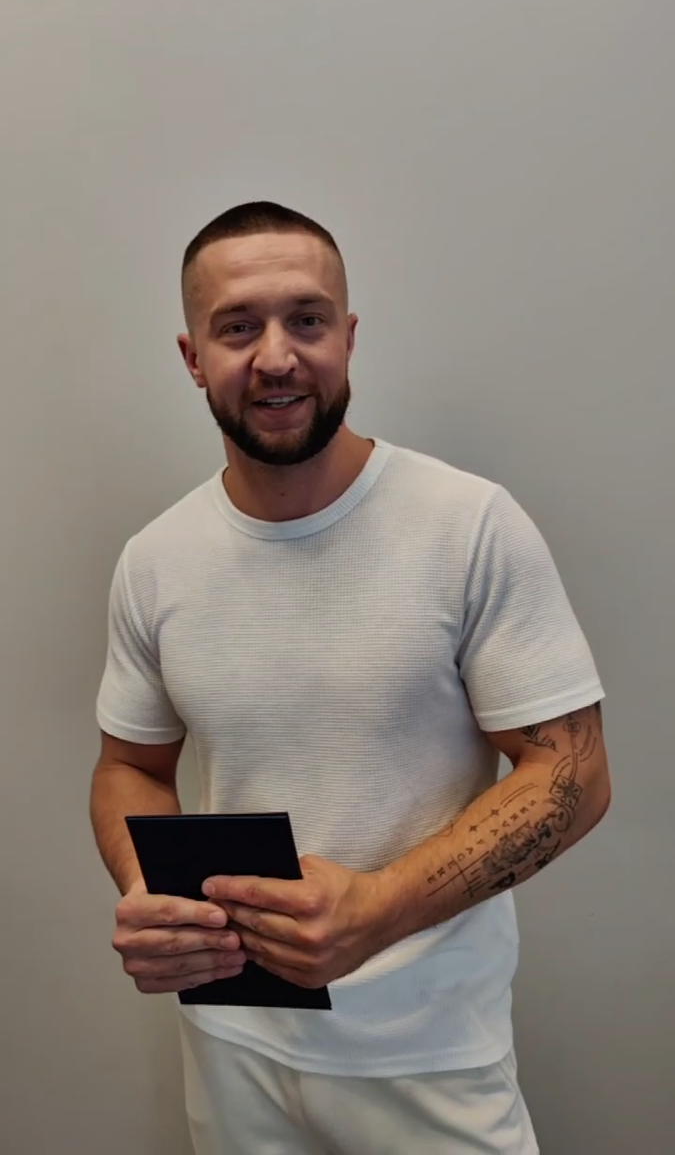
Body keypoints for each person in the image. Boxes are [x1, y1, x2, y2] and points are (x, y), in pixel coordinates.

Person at [91, 200, 611, 1155]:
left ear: (348, 337)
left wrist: (379, 910)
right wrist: (150, 893)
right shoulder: (155, 560)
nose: (277, 356)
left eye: (307, 319)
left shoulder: (467, 525)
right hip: (229, 1042)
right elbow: (129, 766)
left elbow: (571, 775)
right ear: (193, 357)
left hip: (430, 1054)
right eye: (238, 328)